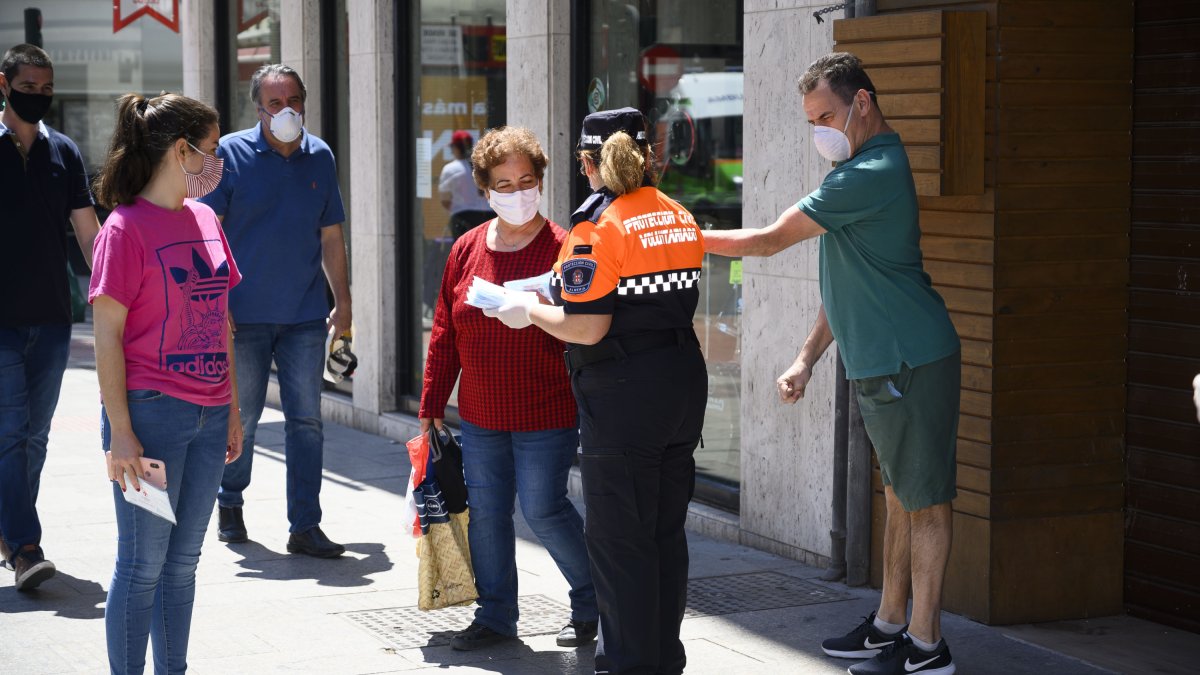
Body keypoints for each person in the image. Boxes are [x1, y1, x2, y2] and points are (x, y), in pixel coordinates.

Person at [703, 52, 961, 675]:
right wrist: (805, 357)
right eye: (809, 118)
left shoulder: (871, 170)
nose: (817, 130)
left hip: (909, 359)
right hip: (886, 363)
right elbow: (846, 284)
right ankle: (889, 626)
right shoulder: (859, 169)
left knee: (924, 503)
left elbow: (766, 241)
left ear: (862, 104)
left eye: (825, 115)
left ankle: (927, 650)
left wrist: (669, 231)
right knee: (902, 497)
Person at [484, 108, 707, 675]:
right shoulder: (677, 213)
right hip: (681, 382)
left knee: (618, 542)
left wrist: (528, 309)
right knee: (662, 533)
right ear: (647, 154)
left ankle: (633, 664)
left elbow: (587, 326)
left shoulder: (597, 227)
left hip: (624, 392)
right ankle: (661, 659)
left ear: (588, 163)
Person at [419, 126, 598, 651]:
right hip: (481, 412)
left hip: (546, 407)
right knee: (489, 513)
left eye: (526, 180)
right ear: (485, 188)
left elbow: (584, 324)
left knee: (544, 507)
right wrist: (432, 402)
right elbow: (445, 330)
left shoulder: (566, 247)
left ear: (540, 181)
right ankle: (496, 616)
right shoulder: (467, 248)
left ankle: (592, 602)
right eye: (504, 183)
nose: (517, 193)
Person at [90, 92, 243, 675]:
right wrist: (121, 432)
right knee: (142, 565)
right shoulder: (124, 229)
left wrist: (229, 408)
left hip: (208, 417)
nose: (216, 159)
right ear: (181, 150)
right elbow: (107, 336)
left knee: (183, 565)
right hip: (151, 418)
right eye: (211, 147)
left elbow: (221, 316)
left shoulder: (205, 217)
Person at [200, 63, 351, 558]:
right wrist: (214, 305)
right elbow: (209, 232)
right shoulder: (229, 155)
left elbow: (331, 236)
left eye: (293, 101)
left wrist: (343, 304)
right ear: (258, 108)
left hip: (305, 315)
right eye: (274, 103)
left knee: (306, 421)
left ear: (304, 102)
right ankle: (230, 504)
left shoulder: (321, 157)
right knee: (238, 413)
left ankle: (305, 525)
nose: (285, 111)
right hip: (241, 317)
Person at [0, 42, 101, 591]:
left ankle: (10, 531)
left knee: (34, 438)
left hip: (53, 317)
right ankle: (25, 546)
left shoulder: (63, 151)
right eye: (27, 87)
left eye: (45, 88)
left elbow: (89, 233)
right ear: (3, 84)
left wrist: (115, 293)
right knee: (12, 433)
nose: (37, 96)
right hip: (0, 324)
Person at [439, 129, 495, 240]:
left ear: (456, 148)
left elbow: (445, 200)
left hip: (463, 218)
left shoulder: (450, 169)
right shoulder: (486, 167)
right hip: (490, 216)